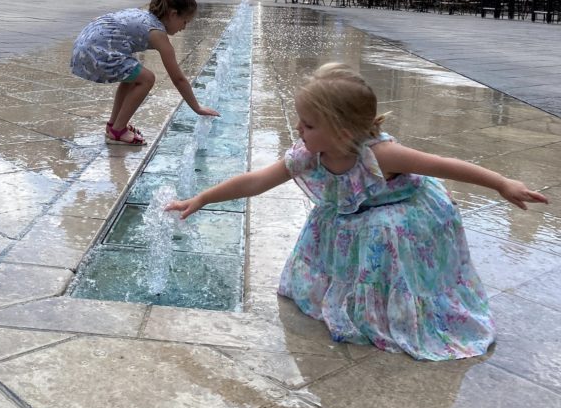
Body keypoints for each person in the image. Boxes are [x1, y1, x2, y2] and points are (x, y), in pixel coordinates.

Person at [166, 62, 548, 361]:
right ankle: (349, 288)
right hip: (356, 212)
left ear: (344, 131)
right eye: (301, 120)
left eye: (309, 124)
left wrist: (501, 183)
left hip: (404, 211)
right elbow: (256, 181)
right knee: (332, 220)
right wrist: (201, 198)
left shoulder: (380, 154)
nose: (298, 128)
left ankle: (394, 303)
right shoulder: (308, 154)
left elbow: (443, 164)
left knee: (380, 229)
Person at [70, 0, 219, 146]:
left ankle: (114, 125)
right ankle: (118, 131)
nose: (184, 28)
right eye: (185, 22)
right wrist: (197, 108)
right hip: (94, 52)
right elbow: (178, 78)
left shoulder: (144, 15)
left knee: (133, 76)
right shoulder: (157, 33)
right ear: (173, 14)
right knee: (147, 78)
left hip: (85, 45)